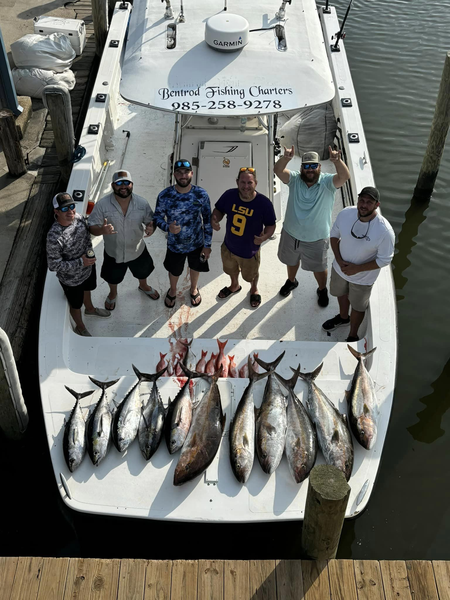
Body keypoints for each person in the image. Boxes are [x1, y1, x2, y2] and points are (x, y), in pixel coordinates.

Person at [273, 146, 350, 306]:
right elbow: (278, 170)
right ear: (301, 168)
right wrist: (286, 158)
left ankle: (322, 289)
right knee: (291, 261)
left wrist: (337, 161)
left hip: (316, 238)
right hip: (290, 233)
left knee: (319, 268)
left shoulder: (328, 182)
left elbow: (344, 177)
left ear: (319, 167)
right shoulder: (294, 179)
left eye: (313, 165)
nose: (310, 169)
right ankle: (291, 280)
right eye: (306, 166)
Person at [322, 186, 395, 342]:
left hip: (363, 279)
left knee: (358, 306)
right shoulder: (346, 213)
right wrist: (339, 260)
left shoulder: (384, 231)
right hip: (339, 269)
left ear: (377, 205)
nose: (363, 205)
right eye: (361, 200)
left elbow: (385, 259)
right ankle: (343, 318)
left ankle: (352, 335)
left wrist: (357, 269)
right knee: (340, 294)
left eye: (369, 202)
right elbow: (334, 235)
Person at [88, 170, 159, 310]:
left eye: (127, 182)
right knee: (112, 278)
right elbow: (92, 227)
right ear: (113, 185)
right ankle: (113, 293)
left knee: (143, 272)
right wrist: (101, 230)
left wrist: (152, 227)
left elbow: (151, 221)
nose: (123, 186)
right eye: (119, 183)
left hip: (137, 250)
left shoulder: (142, 203)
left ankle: (143, 286)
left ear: (132, 184)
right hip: (113, 252)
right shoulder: (102, 205)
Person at [46, 192, 110, 337]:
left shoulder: (79, 218)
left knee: (88, 289)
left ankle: (90, 309)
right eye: (64, 209)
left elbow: (90, 229)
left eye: (72, 206)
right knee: (75, 305)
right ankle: (80, 326)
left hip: (88, 269)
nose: (70, 211)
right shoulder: (53, 237)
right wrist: (81, 262)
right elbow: (53, 266)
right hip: (71, 280)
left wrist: (102, 230)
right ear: (56, 211)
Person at [211, 167, 276, 308]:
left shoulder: (264, 203)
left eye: (249, 183)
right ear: (237, 182)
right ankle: (234, 286)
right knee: (230, 270)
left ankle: (254, 289)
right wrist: (214, 219)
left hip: (250, 251)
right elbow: (219, 210)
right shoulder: (229, 195)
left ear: (256, 183)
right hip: (229, 246)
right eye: (243, 182)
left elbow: (271, 225)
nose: (246, 186)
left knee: (251, 275)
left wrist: (264, 237)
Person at [153, 159, 212, 308]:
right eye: (179, 173)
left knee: (195, 267)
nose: (183, 176)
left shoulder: (201, 194)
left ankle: (193, 288)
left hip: (197, 243)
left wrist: (207, 245)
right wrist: (168, 228)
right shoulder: (164, 195)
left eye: (186, 172)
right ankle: (173, 290)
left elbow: (207, 220)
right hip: (175, 245)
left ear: (191, 173)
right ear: (174, 175)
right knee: (174, 270)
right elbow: (157, 217)